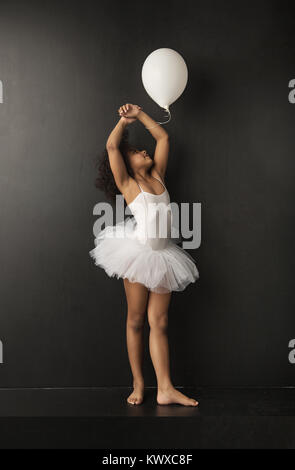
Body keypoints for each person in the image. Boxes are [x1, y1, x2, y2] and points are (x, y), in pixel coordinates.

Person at [90, 103, 199, 406]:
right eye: (137, 151)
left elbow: (163, 138)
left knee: (159, 322)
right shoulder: (130, 184)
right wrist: (123, 123)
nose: (145, 152)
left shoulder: (158, 174)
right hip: (138, 255)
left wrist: (140, 115)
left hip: (163, 256)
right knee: (136, 320)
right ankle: (139, 383)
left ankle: (165, 388)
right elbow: (112, 145)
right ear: (127, 162)